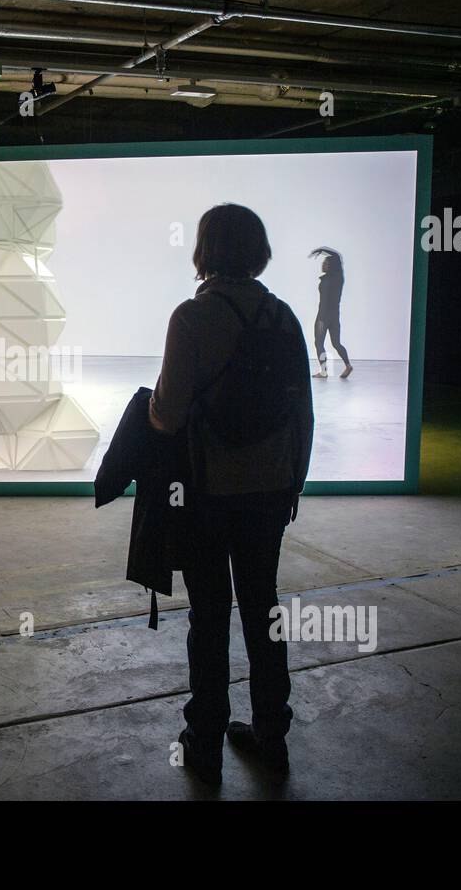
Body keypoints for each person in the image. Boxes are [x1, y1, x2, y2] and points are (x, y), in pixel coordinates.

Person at [149, 203, 314, 785]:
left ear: (205, 250)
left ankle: (206, 739)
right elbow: (302, 411)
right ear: (258, 250)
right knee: (263, 608)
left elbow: (166, 416)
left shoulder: (191, 318)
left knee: (210, 614)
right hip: (269, 491)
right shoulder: (284, 317)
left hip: (207, 492)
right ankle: (271, 736)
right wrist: (295, 481)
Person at [310, 246, 352, 378]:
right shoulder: (338, 278)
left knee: (319, 343)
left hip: (323, 317)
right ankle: (348, 366)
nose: (323, 264)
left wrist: (321, 249)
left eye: (326, 263)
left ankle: (323, 372)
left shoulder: (335, 277)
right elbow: (337, 258)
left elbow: (337, 256)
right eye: (323, 262)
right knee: (336, 343)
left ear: (332, 266)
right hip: (334, 316)